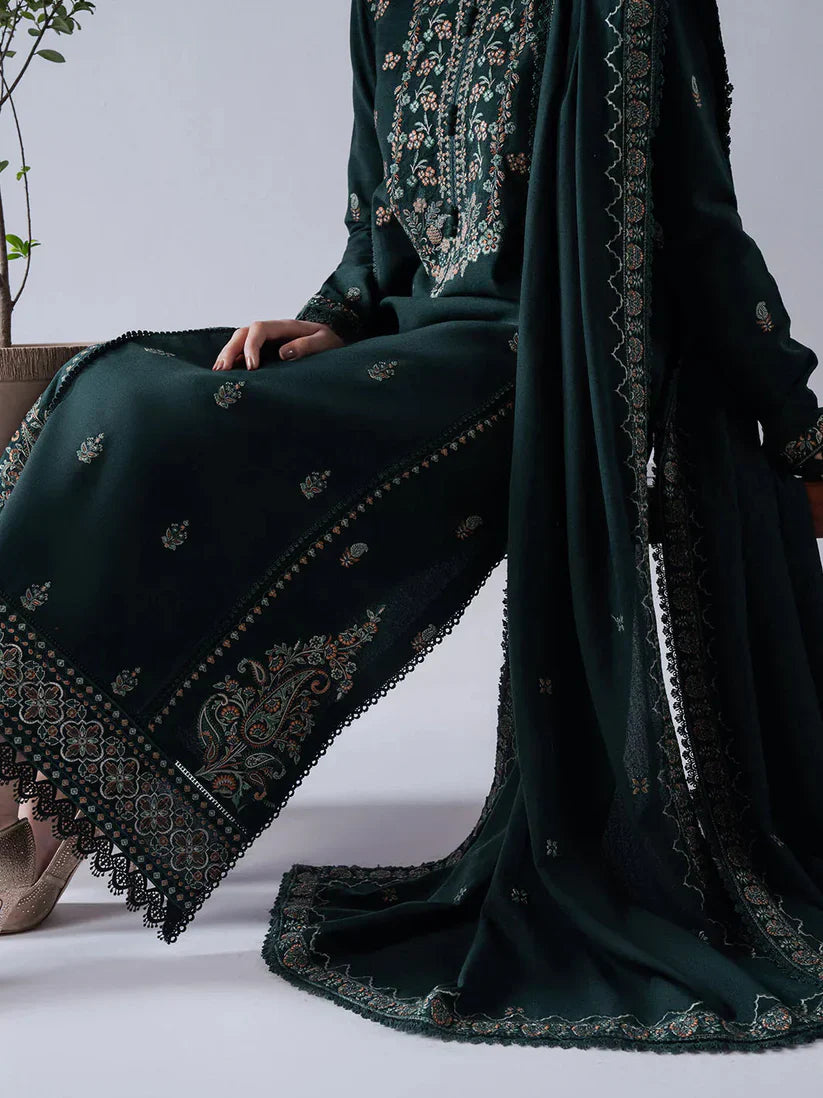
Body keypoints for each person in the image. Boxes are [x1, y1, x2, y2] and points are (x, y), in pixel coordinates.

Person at [2, 0, 823, 1051]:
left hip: (550, 360)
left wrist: (797, 424)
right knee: (114, 389)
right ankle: (45, 763)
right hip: (408, 342)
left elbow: (701, 225)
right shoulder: (385, 5)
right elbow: (373, 237)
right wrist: (330, 320)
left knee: (165, 434)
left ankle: (51, 780)